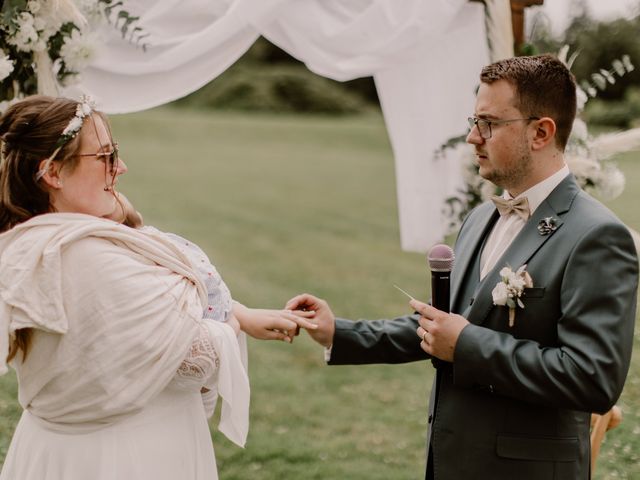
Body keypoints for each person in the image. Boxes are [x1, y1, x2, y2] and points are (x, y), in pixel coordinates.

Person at [287, 54, 639, 480]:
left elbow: (592, 379)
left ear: (541, 132)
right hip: (453, 461)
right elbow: (445, 326)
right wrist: (338, 332)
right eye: (473, 121)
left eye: (488, 123)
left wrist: (468, 344)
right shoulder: (479, 219)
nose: (473, 137)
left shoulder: (596, 236)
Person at [0, 95, 308, 480]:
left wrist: (238, 314)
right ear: (53, 173)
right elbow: (193, 354)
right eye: (106, 157)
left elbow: (142, 311)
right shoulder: (82, 255)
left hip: (75, 444)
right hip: (120, 454)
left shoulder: (42, 238)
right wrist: (230, 328)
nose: (122, 168)